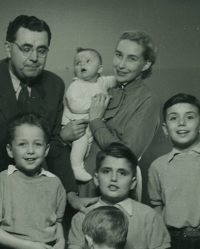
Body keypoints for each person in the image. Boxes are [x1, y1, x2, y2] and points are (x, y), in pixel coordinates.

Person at [0, 14, 97, 212]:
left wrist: (71, 193)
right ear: (8, 48)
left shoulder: (54, 85)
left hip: (35, 190)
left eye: (41, 50)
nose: (34, 58)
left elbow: (54, 143)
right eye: (26, 48)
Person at [61, 30, 160, 198]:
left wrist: (96, 120)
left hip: (116, 187)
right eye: (118, 55)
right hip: (83, 180)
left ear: (146, 65)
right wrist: (64, 137)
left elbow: (126, 153)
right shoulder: (104, 88)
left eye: (132, 59)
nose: (121, 65)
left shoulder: (147, 100)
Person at [68, 143, 171, 249]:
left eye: (122, 173)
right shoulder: (82, 217)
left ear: (133, 182)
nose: (113, 178)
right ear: (96, 179)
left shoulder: (149, 217)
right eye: (106, 171)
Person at [0, 112, 66, 249]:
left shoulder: (55, 183)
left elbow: (57, 222)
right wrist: (30, 246)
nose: (31, 150)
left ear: (46, 150)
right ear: (10, 150)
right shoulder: (3, 181)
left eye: (37, 144)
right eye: (22, 144)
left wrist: (61, 241)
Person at [148, 93, 200, 249]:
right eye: (173, 118)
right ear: (165, 129)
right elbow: (156, 206)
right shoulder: (158, 166)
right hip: (173, 240)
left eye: (189, 117)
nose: (181, 123)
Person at [62, 47, 116, 182]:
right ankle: (76, 167)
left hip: (90, 123)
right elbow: (75, 104)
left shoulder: (101, 82)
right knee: (81, 141)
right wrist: (97, 103)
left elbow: (115, 80)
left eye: (87, 61)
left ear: (99, 69)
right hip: (76, 122)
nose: (82, 64)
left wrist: (121, 79)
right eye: (77, 63)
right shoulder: (76, 85)